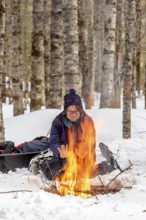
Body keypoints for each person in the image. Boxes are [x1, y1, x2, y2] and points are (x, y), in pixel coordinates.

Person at [29, 88, 97, 179]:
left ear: (81, 111)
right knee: (53, 175)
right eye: (70, 112)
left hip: (83, 157)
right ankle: (42, 162)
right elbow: (54, 140)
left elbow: (91, 143)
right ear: (65, 111)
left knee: (91, 173)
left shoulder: (88, 121)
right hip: (62, 157)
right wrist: (59, 152)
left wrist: (82, 154)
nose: (73, 114)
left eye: (76, 111)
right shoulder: (58, 121)